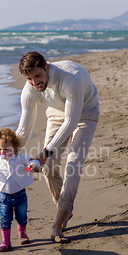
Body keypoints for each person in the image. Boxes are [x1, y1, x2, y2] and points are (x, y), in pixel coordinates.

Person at [16, 52, 99, 243]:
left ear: (46, 67)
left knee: (72, 164)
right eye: (29, 78)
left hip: (85, 111)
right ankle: (64, 208)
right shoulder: (30, 89)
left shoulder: (70, 78)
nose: (34, 82)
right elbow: (23, 129)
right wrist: (9, 153)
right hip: (56, 112)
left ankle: (58, 224)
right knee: (49, 169)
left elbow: (71, 122)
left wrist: (45, 152)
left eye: (37, 76)